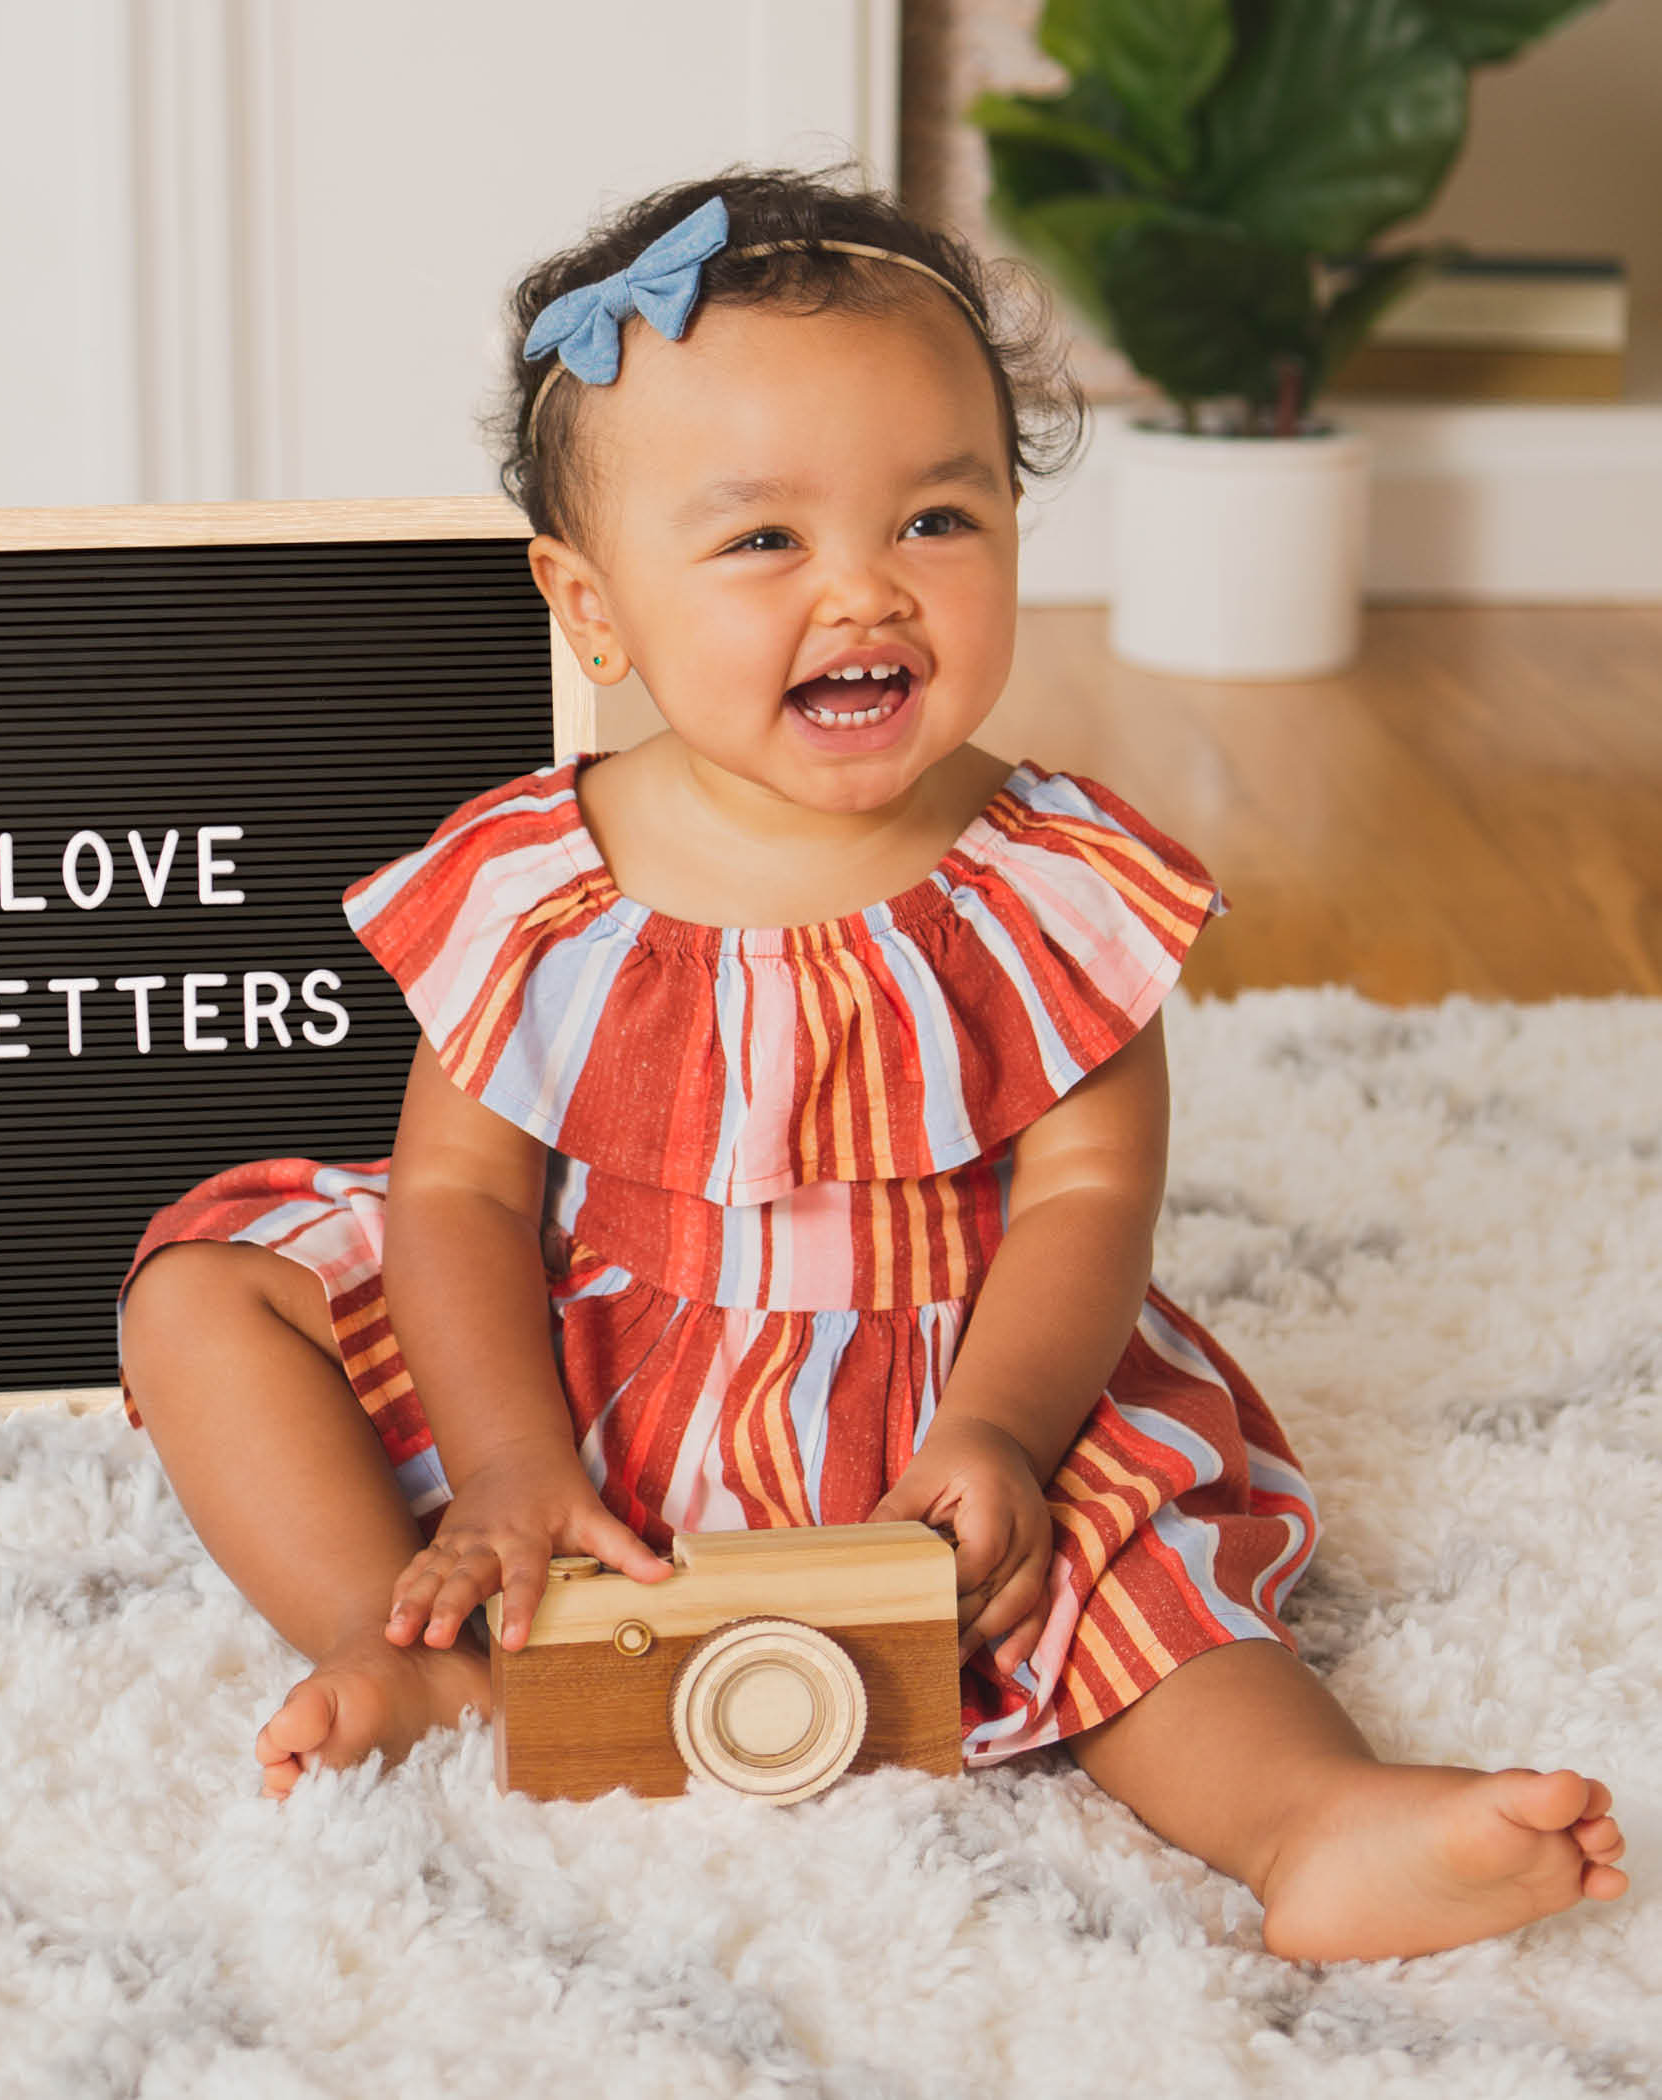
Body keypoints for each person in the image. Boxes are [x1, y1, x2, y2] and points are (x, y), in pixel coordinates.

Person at [113, 166, 1627, 1961]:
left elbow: (1087, 1193)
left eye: (936, 519)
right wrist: (512, 1465)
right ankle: (430, 1649)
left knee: (1130, 1568)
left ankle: (1313, 1819)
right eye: (763, 541)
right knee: (206, 1299)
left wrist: (1002, 1423)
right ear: (590, 608)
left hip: (940, 1390)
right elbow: (458, 1187)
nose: (864, 593)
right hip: (586, 1348)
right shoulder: (540, 877)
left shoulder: (1046, 886)